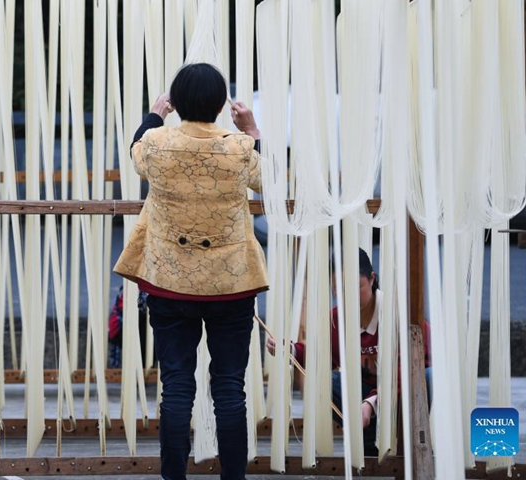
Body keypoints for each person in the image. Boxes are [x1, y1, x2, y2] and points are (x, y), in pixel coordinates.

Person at [114, 63, 268, 480]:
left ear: (176, 103)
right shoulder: (238, 148)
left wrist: (153, 115)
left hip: (170, 283)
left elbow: (136, 154)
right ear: (221, 106)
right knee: (229, 389)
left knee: (177, 385)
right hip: (231, 285)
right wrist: (252, 129)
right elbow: (265, 177)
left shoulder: (157, 144)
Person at [266, 248, 433, 456]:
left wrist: (371, 403)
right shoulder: (335, 319)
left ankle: (408, 442)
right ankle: (368, 440)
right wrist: (289, 349)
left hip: (402, 400)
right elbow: (319, 353)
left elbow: (409, 370)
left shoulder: (401, 314)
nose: (347, 298)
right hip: (363, 404)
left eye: (355, 287)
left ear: (372, 279)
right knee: (325, 381)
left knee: (427, 376)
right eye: (338, 290)